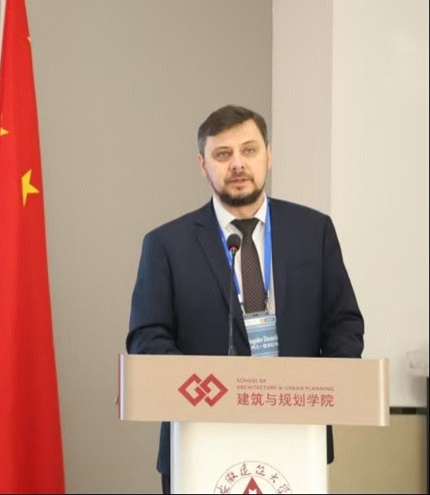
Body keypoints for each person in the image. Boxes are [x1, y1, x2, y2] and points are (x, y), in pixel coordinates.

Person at [126, 104, 364, 494]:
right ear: (203, 165)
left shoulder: (313, 231)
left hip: (296, 436)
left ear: (269, 156)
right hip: (199, 437)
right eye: (223, 154)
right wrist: (208, 391)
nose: (237, 164)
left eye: (249, 150)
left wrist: (324, 389)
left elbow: (344, 323)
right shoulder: (166, 244)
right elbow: (147, 337)